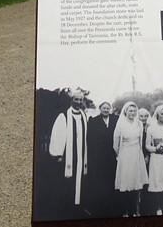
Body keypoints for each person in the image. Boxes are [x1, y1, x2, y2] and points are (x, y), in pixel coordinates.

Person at [47, 87, 90, 218]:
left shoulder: (83, 115)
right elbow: (57, 135)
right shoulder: (64, 116)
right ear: (72, 100)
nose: (78, 102)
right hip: (67, 156)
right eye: (76, 99)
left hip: (80, 155)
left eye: (80, 100)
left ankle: (78, 207)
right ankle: (65, 208)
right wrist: (58, 154)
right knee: (66, 183)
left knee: (80, 181)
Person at [112, 101, 149, 216]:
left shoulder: (139, 124)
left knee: (136, 183)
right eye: (130, 111)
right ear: (126, 111)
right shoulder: (121, 125)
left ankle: (136, 211)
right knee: (126, 182)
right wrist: (121, 155)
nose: (132, 113)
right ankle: (126, 211)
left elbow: (140, 141)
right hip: (125, 155)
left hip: (137, 154)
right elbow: (115, 144)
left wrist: (140, 155)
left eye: (134, 111)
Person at [86, 100, 119, 217]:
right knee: (101, 181)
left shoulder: (116, 119)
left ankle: (112, 207)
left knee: (112, 180)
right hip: (99, 157)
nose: (106, 110)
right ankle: (100, 207)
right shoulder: (94, 121)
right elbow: (90, 139)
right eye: (104, 108)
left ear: (110, 109)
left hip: (112, 155)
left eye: (107, 108)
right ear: (100, 109)